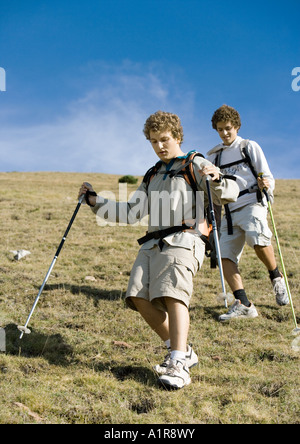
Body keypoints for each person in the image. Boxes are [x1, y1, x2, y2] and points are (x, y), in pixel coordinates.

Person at [78, 110, 239, 389]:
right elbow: (131, 212)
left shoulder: (194, 163)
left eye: (164, 139)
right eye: (153, 141)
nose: (159, 146)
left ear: (177, 136)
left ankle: (177, 363)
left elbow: (228, 193)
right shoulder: (152, 174)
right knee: (137, 297)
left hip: (185, 240)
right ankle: (182, 351)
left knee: (173, 295)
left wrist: (216, 178)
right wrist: (94, 201)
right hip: (152, 242)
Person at [207, 104, 289, 322]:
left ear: (237, 126)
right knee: (224, 256)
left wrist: (266, 186)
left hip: (252, 203)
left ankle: (276, 277)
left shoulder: (248, 146)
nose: (224, 133)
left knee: (259, 241)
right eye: (220, 129)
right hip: (229, 211)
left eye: (228, 128)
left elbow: (266, 174)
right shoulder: (215, 156)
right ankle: (243, 303)